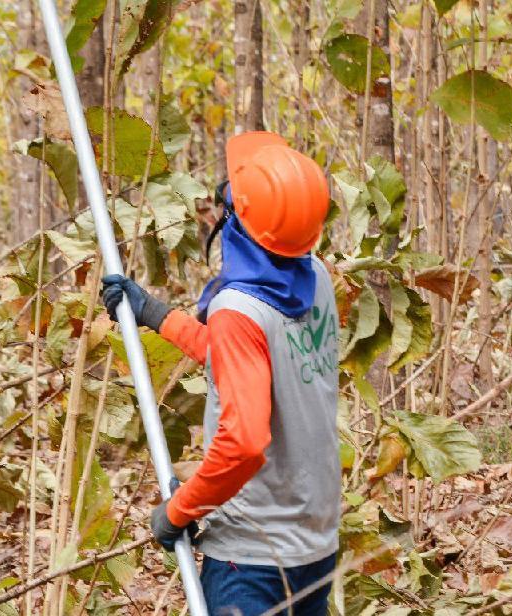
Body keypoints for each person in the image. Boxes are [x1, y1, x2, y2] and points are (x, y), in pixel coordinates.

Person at [102, 132, 340, 615]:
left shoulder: (239, 309)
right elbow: (248, 359)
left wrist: (179, 511)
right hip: (316, 539)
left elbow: (244, 442)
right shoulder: (314, 277)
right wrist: (156, 315)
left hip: (254, 558)